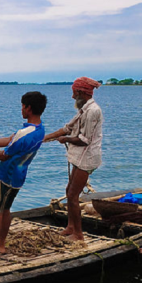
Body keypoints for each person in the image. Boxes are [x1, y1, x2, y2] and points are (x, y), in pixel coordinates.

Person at [0, 91, 47, 259]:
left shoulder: (25, 133)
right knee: (5, 209)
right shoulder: (39, 130)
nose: (21, 109)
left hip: (6, 176)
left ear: (28, 108)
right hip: (18, 178)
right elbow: (10, 140)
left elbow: (5, 154)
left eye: (22, 106)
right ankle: (0, 244)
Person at [43, 76, 103, 242]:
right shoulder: (83, 110)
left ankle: (78, 234)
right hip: (81, 157)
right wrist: (44, 138)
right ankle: (70, 227)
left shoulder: (92, 111)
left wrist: (66, 139)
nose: (72, 97)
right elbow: (67, 128)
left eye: (73, 93)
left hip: (88, 157)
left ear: (80, 92)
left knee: (72, 195)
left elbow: (85, 140)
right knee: (69, 192)